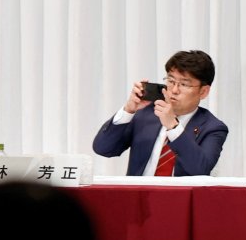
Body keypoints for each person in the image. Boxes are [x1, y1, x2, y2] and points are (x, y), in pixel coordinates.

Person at [92, 50, 228, 176]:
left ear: (203, 91)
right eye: (171, 81)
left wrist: (173, 127)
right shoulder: (145, 114)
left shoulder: (213, 128)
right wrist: (129, 110)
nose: (174, 90)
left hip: (180, 200)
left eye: (184, 84)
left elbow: (200, 169)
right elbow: (103, 149)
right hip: (138, 197)